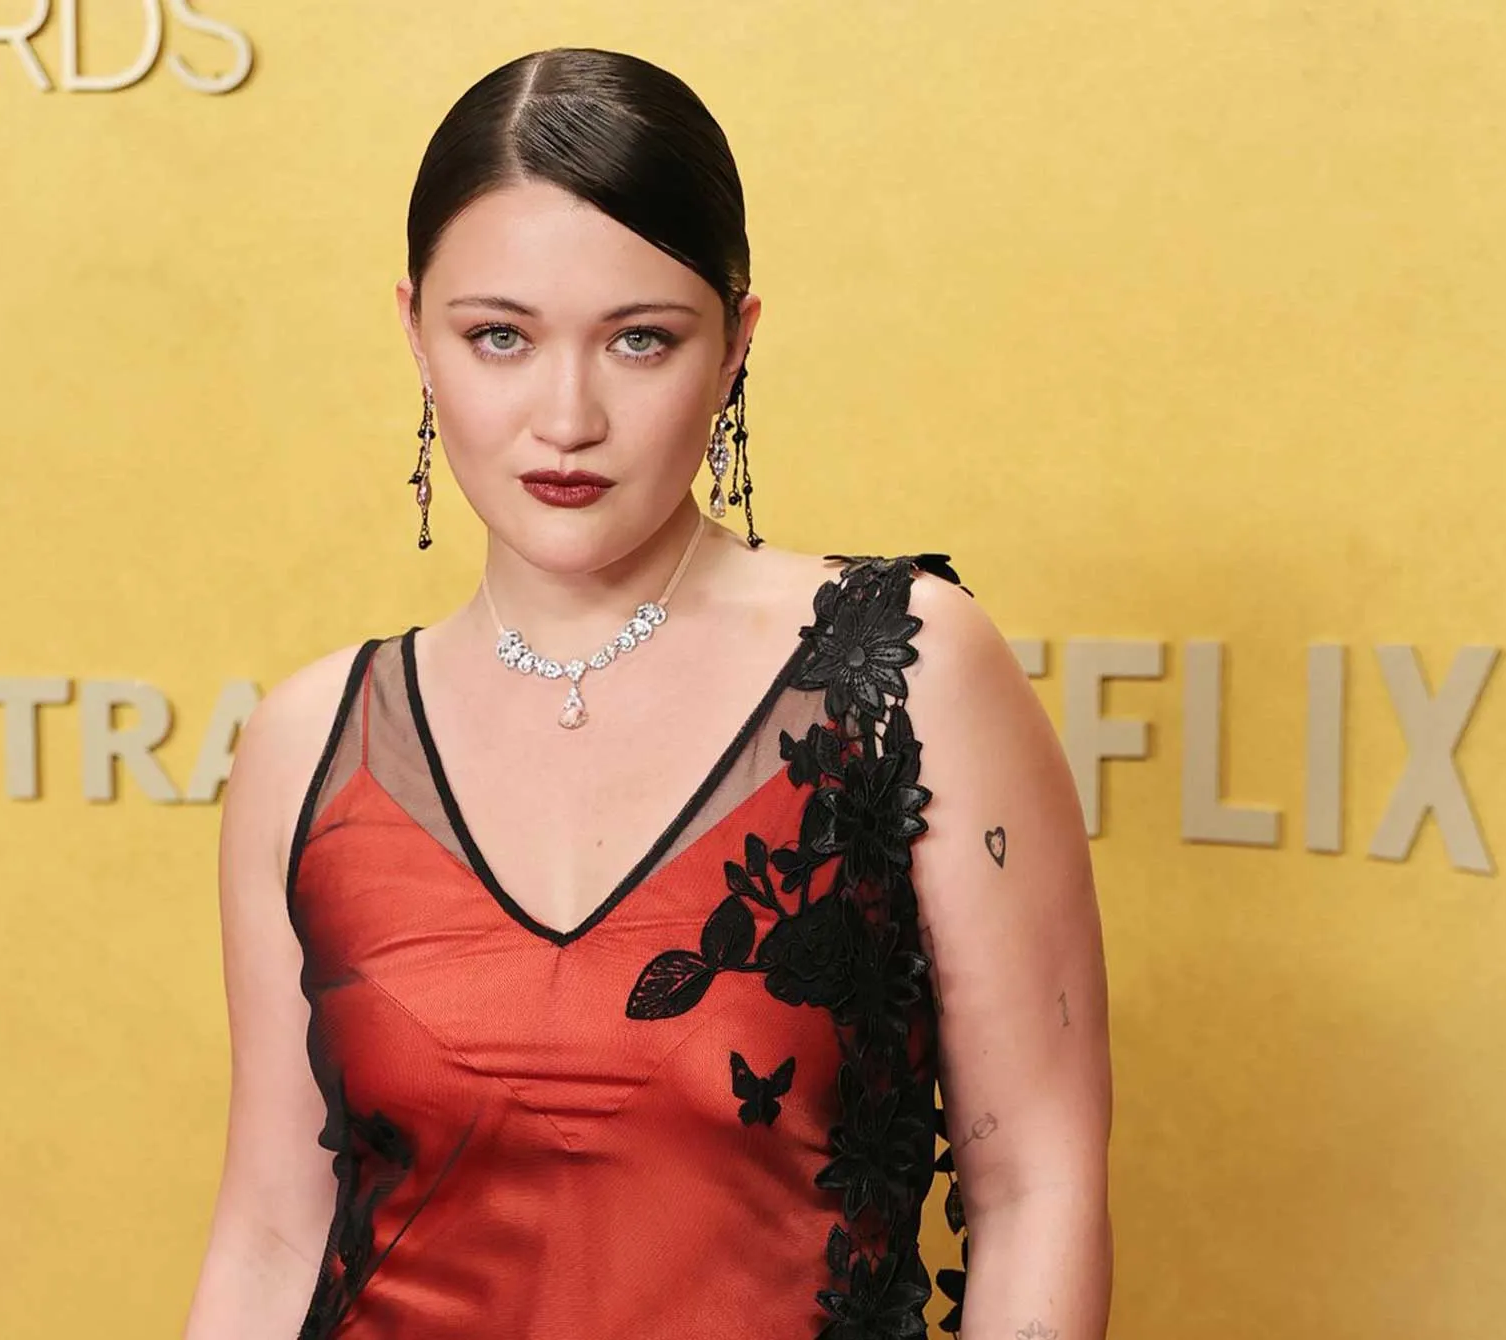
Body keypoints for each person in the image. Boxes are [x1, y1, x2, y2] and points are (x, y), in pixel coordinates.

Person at [184, 47, 1112, 1340]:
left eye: (640, 340)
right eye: (499, 337)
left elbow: (1038, 1187)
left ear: (735, 345)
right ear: (415, 335)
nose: (567, 416)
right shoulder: (309, 742)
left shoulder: (905, 671)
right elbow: (274, 1233)